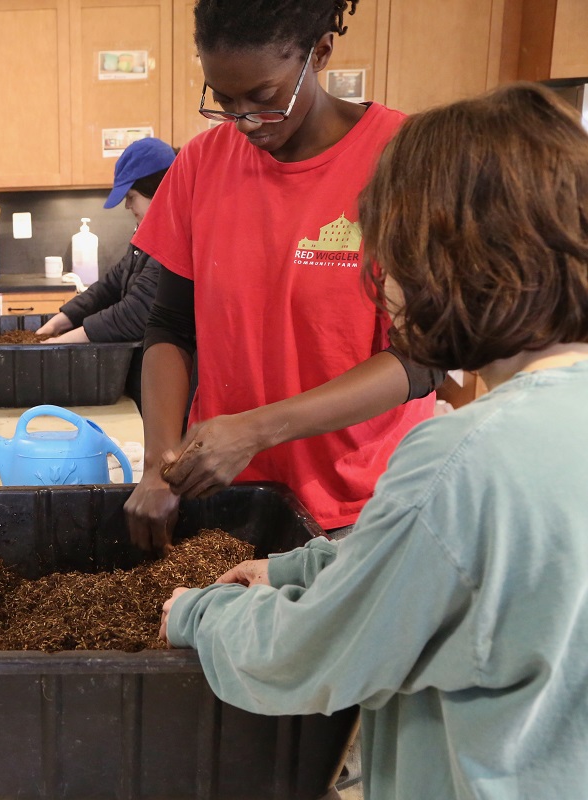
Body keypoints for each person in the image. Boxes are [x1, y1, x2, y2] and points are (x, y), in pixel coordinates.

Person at [160, 82, 588, 800]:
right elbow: (476, 571)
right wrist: (299, 570)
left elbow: (312, 653)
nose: (379, 284)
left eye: (388, 256)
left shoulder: (460, 462)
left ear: (446, 262)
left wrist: (199, 614)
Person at [126, 0, 442, 549]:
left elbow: (421, 358)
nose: (244, 120)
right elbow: (170, 328)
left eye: (265, 98)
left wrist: (257, 429)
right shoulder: (199, 166)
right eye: (223, 100)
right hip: (228, 495)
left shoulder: (405, 161)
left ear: (320, 53)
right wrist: (160, 460)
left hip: (363, 511)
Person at [36, 137, 177, 407]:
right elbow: (111, 286)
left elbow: (137, 312)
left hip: (173, 386)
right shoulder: (150, 234)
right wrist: (59, 322)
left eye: (131, 197)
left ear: (156, 189)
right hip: (147, 376)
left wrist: (64, 341)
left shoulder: (176, 236)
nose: (127, 206)